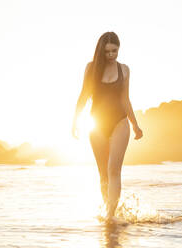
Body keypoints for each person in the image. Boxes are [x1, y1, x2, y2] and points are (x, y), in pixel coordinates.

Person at [72, 31, 143, 221]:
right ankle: (109, 210)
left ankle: (111, 215)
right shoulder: (91, 68)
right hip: (96, 124)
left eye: (114, 51)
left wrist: (135, 125)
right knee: (103, 173)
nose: (111, 55)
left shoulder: (125, 70)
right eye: (107, 52)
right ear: (100, 51)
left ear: (119, 49)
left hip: (120, 121)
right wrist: (75, 121)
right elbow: (83, 96)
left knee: (114, 170)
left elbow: (125, 99)